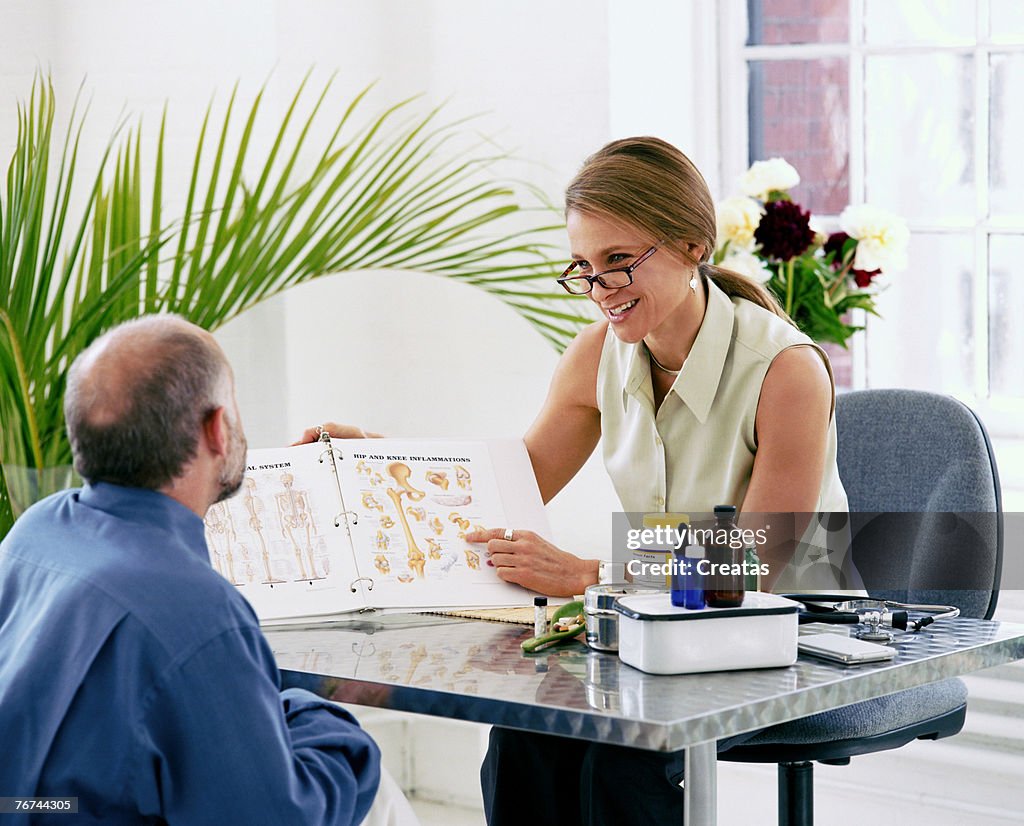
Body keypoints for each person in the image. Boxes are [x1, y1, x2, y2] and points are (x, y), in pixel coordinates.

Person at [302, 137, 850, 824]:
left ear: (692, 244)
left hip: (797, 628)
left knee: (622, 754)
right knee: (530, 728)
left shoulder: (786, 369)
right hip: (660, 624)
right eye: (584, 269)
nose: (601, 291)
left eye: (619, 263)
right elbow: (508, 485)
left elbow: (756, 559)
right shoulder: (599, 355)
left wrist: (589, 572)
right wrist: (373, 457)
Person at [0, 316, 385, 825]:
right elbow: (278, 817)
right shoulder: (194, 610)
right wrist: (329, 722)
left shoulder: (35, 531)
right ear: (217, 429)